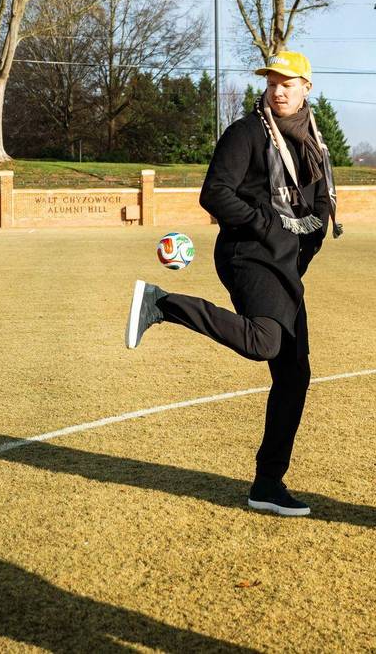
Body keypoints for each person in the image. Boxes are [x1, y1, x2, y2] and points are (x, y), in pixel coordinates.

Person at [124, 49, 342, 517]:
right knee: (265, 342)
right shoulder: (246, 133)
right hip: (248, 254)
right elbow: (215, 193)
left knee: (294, 375)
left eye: (287, 83)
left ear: (306, 88)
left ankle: (267, 485)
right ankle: (162, 304)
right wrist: (267, 226)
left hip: (285, 264)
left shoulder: (314, 144)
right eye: (272, 82)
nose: (278, 90)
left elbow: (320, 203)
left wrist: (305, 244)